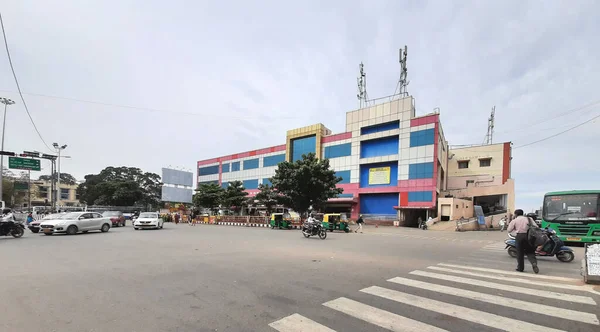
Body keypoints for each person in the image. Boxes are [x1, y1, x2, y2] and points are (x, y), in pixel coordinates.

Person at [507, 209, 539, 273]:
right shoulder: (529, 219)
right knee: (530, 251)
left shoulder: (514, 220)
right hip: (529, 236)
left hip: (519, 237)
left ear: (515, 214)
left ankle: (520, 268)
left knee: (520, 253)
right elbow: (536, 227)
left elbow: (509, 230)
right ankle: (533, 263)